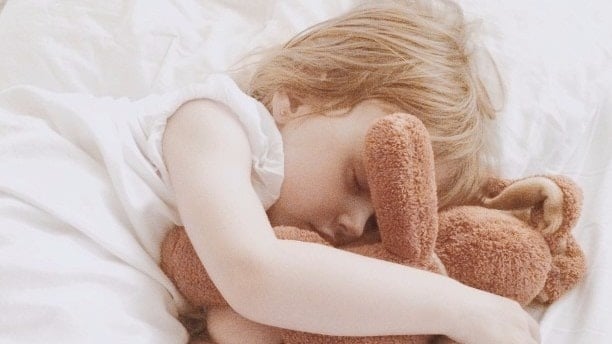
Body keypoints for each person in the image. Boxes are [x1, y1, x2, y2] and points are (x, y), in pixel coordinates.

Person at [162, 1, 540, 344]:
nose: (357, 227)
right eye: (357, 180)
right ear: (296, 96)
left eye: (378, 221)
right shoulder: (212, 122)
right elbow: (253, 273)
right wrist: (459, 306)